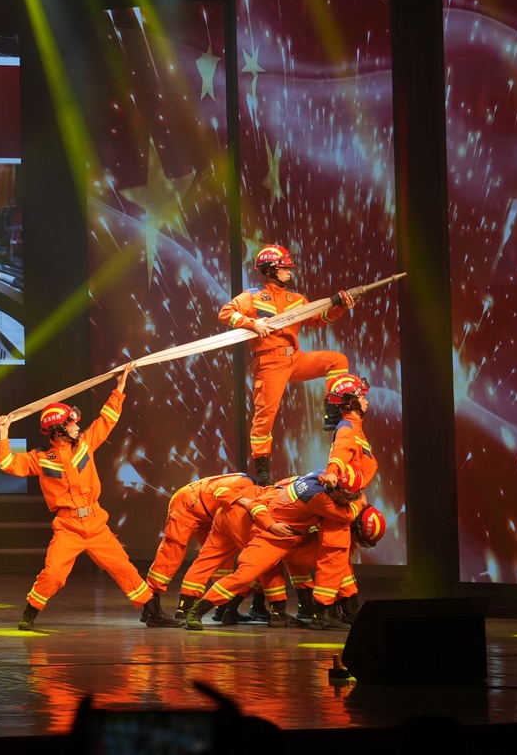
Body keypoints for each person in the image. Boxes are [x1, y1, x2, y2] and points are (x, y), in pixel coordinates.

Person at [0, 364, 175, 630]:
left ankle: (153, 612)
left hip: (96, 523)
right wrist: (3, 433)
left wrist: (120, 387)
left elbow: (107, 419)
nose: (76, 426)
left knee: (123, 568)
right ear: (58, 431)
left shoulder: (86, 443)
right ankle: (30, 613)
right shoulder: (40, 458)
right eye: (71, 423)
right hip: (68, 528)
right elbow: (8, 464)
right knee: (54, 574)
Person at [218, 244, 355, 484]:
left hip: (296, 358)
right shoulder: (252, 296)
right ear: (270, 269)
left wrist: (340, 308)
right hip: (269, 362)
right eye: (284, 268)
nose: (289, 271)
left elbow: (318, 318)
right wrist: (253, 323)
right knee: (265, 418)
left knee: (337, 360)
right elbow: (226, 313)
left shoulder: (296, 298)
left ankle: (332, 411)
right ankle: (262, 468)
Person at [183, 468, 368, 631]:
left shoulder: (321, 477)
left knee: (336, 558)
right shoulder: (318, 498)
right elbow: (347, 515)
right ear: (333, 487)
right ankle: (197, 611)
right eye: (346, 497)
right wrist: (271, 526)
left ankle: (326, 614)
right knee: (245, 576)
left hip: (296, 539)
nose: (346, 500)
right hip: (273, 539)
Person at [142, 472, 259, 620]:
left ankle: (219, 608)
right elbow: (221, 493)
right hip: (188, 503)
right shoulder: (247, 485)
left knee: (220, 557)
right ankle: (150, 605)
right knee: (171, 553)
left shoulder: (251, 486)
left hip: (209, 512)